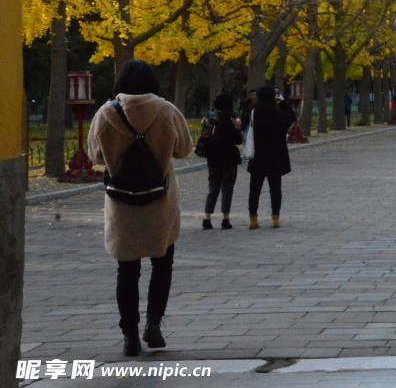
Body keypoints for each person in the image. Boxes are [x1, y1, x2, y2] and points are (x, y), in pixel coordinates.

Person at [87, 59, 192, 357]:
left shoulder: (106, 113)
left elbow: (94, 155)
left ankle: (129, 335)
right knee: (162, 263)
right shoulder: (167, 110)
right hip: (161, 200)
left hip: (123, 203)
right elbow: (184, 150)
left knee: (127, 271)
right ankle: (154, 325)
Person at [247, 85, 296, 230]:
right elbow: (292, 117)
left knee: (255, 189)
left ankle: (253, 218)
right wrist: (283, 102)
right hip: (275, 155)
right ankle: (275, 217)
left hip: (258, 156)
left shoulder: (254, 112)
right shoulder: (279, 113)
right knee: (275, 188)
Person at [201, 94, 244, 230]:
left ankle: (207, 218)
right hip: (229, 157)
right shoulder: (230, 119)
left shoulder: (209, 119)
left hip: (213, 156)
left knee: (213, 187)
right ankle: (225, 219)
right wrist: (237, 126)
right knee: (227, 188)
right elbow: (238, 140)